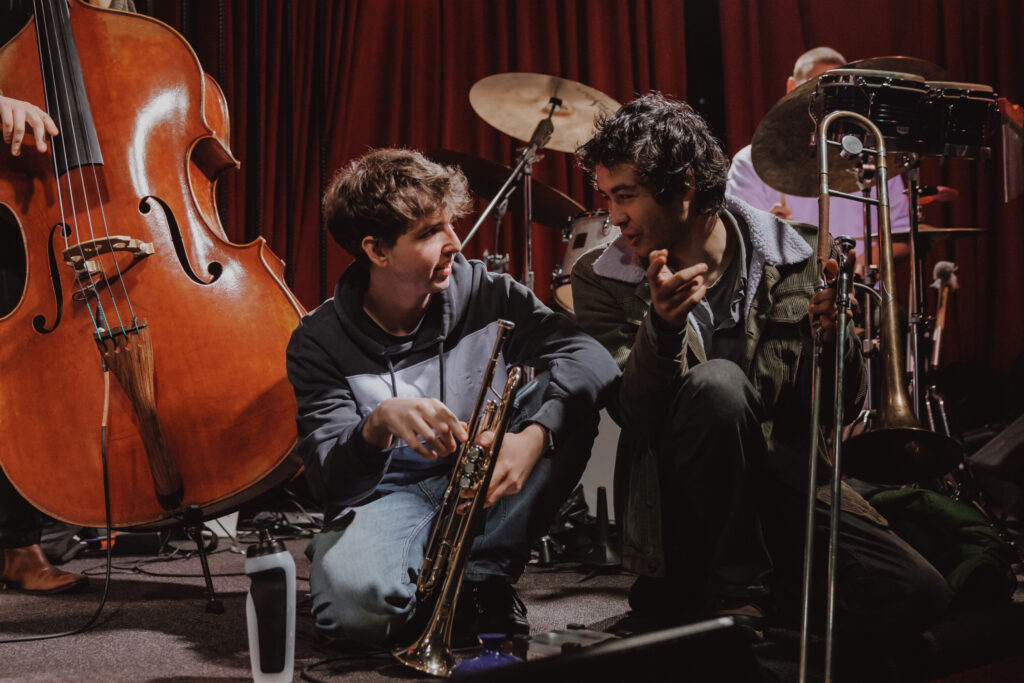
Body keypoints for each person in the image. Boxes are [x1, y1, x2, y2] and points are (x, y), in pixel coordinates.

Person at [571, 92, 950, 646]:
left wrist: (836, 340)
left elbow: (838, 408)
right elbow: (636, 412)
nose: (614, 217)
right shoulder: (601, 278)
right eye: (608, 198)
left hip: (782, 484)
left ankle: (748, 598)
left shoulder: (796, 255)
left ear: (683, 184)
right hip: (680, 503)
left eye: (625, 195)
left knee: (921, 594)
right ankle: (736, 593)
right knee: (718, 384)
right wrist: (663, 329)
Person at [286, 148, 618, 645]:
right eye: (429, 233)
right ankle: (409, 574)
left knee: (566, 398)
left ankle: (483, 580)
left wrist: (533, 437)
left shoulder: (488, 292)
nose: (454, 244)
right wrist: (376, 426)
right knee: (356, 612)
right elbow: (330, 481)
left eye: (449, 224)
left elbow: (592, 358)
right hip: (387, 500)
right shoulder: (318, 341)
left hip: (481, 480)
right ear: (376, 251)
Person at [726, 46, 911, 267]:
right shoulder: (750, 162)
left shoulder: (874, 158)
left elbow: (901, 234)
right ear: (791, 87)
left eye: (837, 92)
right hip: (790, 285)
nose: (826, 101)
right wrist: (770, 233)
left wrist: (861, 267)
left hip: (860, 285)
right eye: (815, 89)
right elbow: (738, 241)